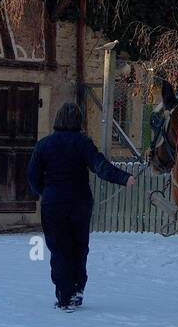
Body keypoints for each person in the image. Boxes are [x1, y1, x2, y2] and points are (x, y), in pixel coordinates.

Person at [27, 101, 134, 311]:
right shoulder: (83, 143)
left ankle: (64, 293)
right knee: (79, 248)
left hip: (53, 205)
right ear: (78, 121)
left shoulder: (44, 145)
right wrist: (124, 178)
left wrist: (45, 192)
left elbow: (32, 177)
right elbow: (100, 166)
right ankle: (77, 289)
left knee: (59, 249)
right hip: (80, 203)